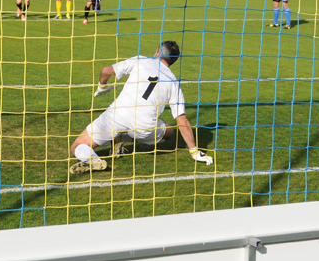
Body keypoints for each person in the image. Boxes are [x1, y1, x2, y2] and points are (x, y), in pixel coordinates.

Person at [68, 40, 213, 174]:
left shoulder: (140, 60)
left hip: (116, 116)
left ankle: (94, 160)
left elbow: (106, 70)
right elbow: (182, 120)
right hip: (144, 127)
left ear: (157, 52)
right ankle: (123, 137)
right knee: (169, 131)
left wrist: (102, 86)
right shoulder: (174, 82)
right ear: (173, 61)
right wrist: (194, 151)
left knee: (78, 145)